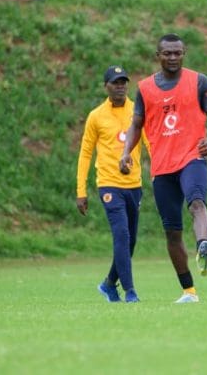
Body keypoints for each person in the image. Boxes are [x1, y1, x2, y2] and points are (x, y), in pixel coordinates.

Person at [119, 33, 207, 304]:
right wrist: (126, 152)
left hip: (192, 157)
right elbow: (136, 125)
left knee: (197, 204)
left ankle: (203, 245)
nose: (173, 57)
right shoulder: (144, 88)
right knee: (172, 232)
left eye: (178, 53)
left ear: (184, 53)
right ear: (158, 55)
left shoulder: (199, 81)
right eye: (168, 53)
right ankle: (189, 291)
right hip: (162, 167)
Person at [76, 65, 149, 303]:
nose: (120, 87)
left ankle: (109, 284)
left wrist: (159, 172)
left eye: (123, 82)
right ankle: (130, 291)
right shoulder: (96, 116)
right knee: (121, 235)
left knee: (131, 241)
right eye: (115, 83)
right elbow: (86, 153)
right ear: (105, 86)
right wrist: (81, 191)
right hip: (108, 184)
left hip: (134, 185)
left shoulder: (137, 112)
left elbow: (149, 144)